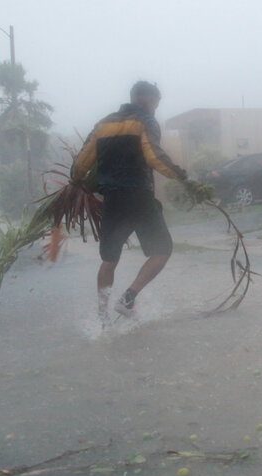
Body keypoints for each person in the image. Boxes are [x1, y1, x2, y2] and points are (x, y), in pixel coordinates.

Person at [71, 81, 188, 322]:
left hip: (113, 200)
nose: (156, 109)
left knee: (109, 259)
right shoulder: (144, 121)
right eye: (156, 103)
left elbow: (82, 162)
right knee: (162, 250)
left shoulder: (104, 124)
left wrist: (77, 180)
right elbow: (154, 156)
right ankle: (128, 298)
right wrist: (181, 176)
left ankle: (102, 318)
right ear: (148, 100)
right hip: (139, 198)